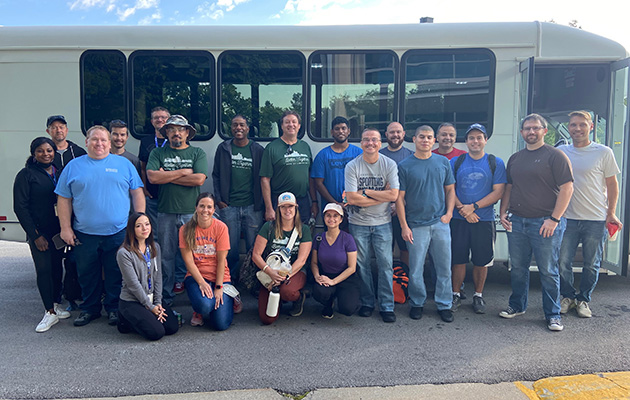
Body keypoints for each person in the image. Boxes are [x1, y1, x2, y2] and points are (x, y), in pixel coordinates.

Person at [56, 125, 145, 327]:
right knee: (87, 273)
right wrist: (65, 228)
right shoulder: (73, 166)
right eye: (94, 139)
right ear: (86, 142)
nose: (99, 143)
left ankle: (114, 308)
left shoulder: (123, 165)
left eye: (103, 140)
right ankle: (90, 309)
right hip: (84, 233)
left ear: (109, 142)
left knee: (115, 271)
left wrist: (139, 221)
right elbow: (63, 199)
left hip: (118, 232)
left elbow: (137, 193)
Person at [499, 113, 573, 332]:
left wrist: (554, 219)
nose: (531, 132)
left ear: (544, 131)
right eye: (527, 129)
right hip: (517, 222)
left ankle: (553, 314)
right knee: (518, 268)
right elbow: (509, 188)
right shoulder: (515, 158)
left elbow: (567, 188)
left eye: (535, 128)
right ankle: (517, 306)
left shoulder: (555, 156)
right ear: (522, 133)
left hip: (545, 223)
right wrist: (503, 212)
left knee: (548, 271)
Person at [558, 111, 622, 318]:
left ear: (591, 127)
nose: (577, 128)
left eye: (582, 125)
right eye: (573, 125)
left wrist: (611, 213)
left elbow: (613, 185)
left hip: (595, 218)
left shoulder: (603, 152)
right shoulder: (561, 151)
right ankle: (567, 297)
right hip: (567, 218)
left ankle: (584, 299)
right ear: (568, 127)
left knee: (591, 264)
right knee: (562, 261)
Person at [396, 125, 456, 323]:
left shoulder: (443, 162)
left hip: (440, 223)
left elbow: (450, 190)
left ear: (434, 140)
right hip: (416, 225)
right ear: (414, 139)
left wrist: (448, 214)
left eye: (429, 137)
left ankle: (444, 304)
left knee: (444, 267)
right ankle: (417, 303)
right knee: (415, 268)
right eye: (422, 137)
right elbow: (399, 199)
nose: (425, 140)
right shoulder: (405, 165)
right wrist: (404, 226)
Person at [146, 115, 208, 305]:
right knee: (166, 255)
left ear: (187, 133)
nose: (176, 133)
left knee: (194, 254)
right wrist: (183, 172)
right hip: (165, 211)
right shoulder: (158, 153)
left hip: (191, 213)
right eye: (171, 129)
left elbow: (199, 180)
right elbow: (152, 178)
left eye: (180, 129)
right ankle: (166, 294)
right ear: (166, 133)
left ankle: (193, 292)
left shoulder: (197, 152)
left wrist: (167, 175)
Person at [13, 137, 71, 332]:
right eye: (40, 151)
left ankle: (56, 303)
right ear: (33, 153)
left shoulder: (60, 172)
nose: (46, 154)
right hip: (40, 232)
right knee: (44, 269)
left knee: (56, 268)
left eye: (49, 150)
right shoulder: (26, 175)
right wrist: (35, 235)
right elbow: (20, 207)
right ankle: (49, 312)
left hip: (59, 229)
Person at [450, 124, 506, 314]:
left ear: (485, 140)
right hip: (458, 219)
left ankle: (478, 296)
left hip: (484, 220)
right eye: (471, 138)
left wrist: (473, 208)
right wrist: (463, 210)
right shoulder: (456, 162)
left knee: (482, 261)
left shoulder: (495, 163)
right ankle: (455, 294)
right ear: (466, 141)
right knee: (458, 259)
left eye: (479, 137)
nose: (475, 141)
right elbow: (449, 189)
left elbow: (498, 192)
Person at [345, 128, 399, 323]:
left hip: (383, 223)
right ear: (361, 143)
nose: (370, 143)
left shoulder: (389, 164)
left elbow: (394, 195)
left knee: (386, 265)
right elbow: (351, 198)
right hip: (358, 223)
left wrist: (365, 192)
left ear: (380, 142)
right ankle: (367, 302)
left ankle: (386, 306)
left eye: (374, 140)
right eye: (366, 140)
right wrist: (379, 195)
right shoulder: (352, 166)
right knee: (362, 265)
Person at [213, 115, 264, 283]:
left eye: (242, 124)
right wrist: (220, 201)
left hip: (252, 206)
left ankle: (253, 281)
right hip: (229, 206)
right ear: (231, 128)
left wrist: (261, 203)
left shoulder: (257, 150)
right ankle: (231, 281)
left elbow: (263, 178)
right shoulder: (223, 148)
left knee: (254, 247)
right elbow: (216, 175)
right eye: (235, 125)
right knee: (231, 248)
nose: (238, 128)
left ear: (248, 128)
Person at [116, 212, 179, 341]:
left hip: (151, 298)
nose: (144, 229)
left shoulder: (155, 247)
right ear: (131, 229)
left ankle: (146, 317)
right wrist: (151, 308)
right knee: (156, 333)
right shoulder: (124, 253)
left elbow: (158, 276)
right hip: (132, 300)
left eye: (147, 224)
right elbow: (133, 284)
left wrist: (158, 303)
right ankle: (125, 319)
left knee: (172, 327)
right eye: (139, 226)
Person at [252, 192, 312, 325]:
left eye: (290, 206)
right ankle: (277, 299)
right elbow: (256, 255)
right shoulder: (269, 227)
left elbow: (301, 260)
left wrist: (283, 276)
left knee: (287, 292)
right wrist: (270, 272)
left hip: (294, 271)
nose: (287, 210)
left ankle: (297, 298)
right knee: (267, 319)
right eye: (283, 207)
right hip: (270, 272)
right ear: (278, 209)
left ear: (296, 207)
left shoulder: (304, 229)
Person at [46, 114, 86, 309]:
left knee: (74, 258)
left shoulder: (77, 152)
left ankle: (74, 295)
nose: (58, 130)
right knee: (56, 256)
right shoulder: (45, 151)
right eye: (54, 127)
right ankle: (55, 296)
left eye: (61, 127)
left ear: (67, 130)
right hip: (52, 213)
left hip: (75, 212)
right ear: (48, 131)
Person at [180, 193, 234, 331]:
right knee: (205, 305)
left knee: (220, 324)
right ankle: (198, 309)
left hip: (220, 277)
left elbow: (222, 261)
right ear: (196, 207)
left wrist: (218, 287)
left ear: (214, 210)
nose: (205, 210)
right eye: (202, 206)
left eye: (209, 207)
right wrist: (202, 283)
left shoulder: (221, 228)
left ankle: (232, 297)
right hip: (196, 276)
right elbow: (189, 263)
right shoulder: (185, 230)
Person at [260, 110, 318, 224]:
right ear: (282, 126)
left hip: (302, 201)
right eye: (287, 122)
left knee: (303, 237)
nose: (291, 125)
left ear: (299, 126)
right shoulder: (271, 148)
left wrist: (314, 202)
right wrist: (269, 208)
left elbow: (310, 177)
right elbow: (265, 179)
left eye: (294, 122)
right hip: (280, 202)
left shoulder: (305, 146)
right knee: (280, 238)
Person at [311, 203, 360, 319]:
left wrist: (333, 281)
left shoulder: (348, 239)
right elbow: (314, 263)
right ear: (324, 218)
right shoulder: (318, 238)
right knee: (320, 292)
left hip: (345, 278)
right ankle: (328, 303)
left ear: (341, 219)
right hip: (326, 275)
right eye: (328, 215)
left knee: (348, 309)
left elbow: (352, 268)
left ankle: (342, 296)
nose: (331, 219)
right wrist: (317, 276)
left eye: (335, 216)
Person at [380, 121, 414, 267]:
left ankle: (405, 279)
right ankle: (388, 279)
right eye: (392, 132)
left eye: (398, 132)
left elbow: (413, 185)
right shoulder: (378, 155)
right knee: (385, 247)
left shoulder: (411, 156)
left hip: (404, 210)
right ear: (386, 135)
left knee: (405, 247)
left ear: (403, 134)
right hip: (381, 210)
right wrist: (388, 202)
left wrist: (398, 203)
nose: (395, 135)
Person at [311, 116, 362, 213]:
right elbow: (318, 183)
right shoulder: (322, 155)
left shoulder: (359, 153)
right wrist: (336, 204)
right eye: (337, 129)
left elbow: (364, 179)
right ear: (332, 132)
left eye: (343, 128)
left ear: (349, 131)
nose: (340, 131)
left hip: (355, 207)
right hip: (331, 209)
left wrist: (351, 201)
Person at [138, 107, 171, 236]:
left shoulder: (175, 141)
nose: (160, 120)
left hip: (170, 194)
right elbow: (142, 166)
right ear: (152, 121)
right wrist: (144, 189)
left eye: (163, 117)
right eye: (156, 117)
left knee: (169, 233)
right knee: (154, 233)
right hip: (152, 194)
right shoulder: (145, 141)